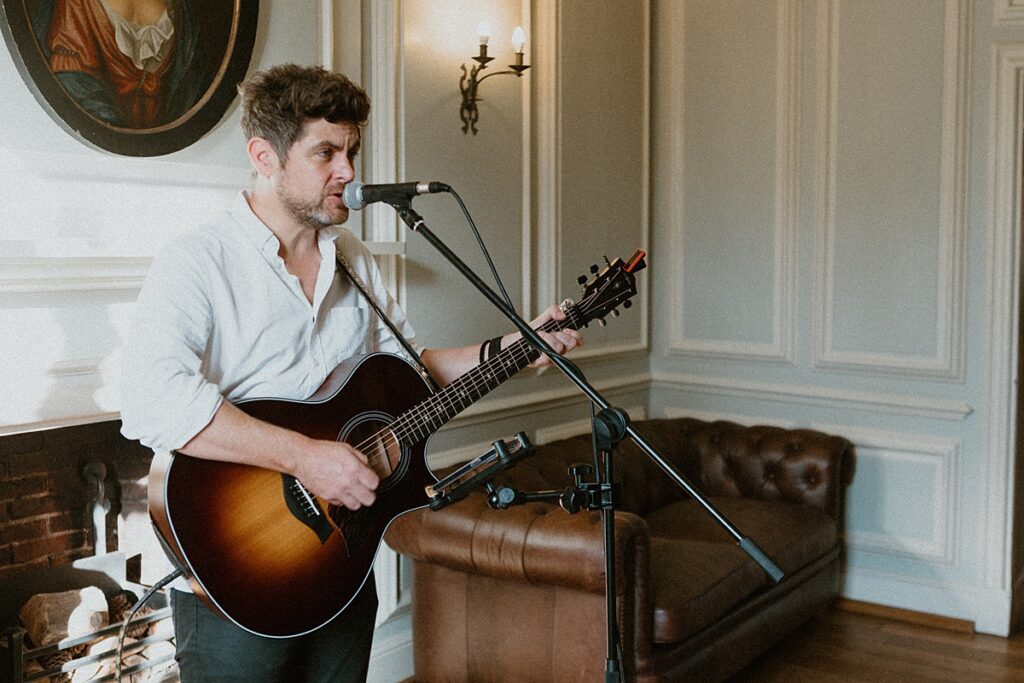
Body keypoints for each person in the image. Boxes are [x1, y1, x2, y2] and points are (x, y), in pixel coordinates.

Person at [119, 63, 581, 681]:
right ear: (265, 156)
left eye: (352, 151)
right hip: (233, 578)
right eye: (326, 153)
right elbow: (153, 400)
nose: (350, 172)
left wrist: (520, 345)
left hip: (339, 559)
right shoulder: (198, 262)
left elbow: (410, 374)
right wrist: (306, 458)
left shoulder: (353, 259)